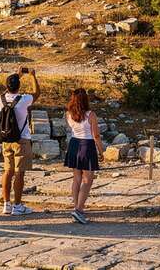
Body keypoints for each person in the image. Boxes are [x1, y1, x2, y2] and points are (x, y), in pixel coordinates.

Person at [0, 68, 40, 216]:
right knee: (19, 173)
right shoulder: (24, 100)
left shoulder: (1, 99)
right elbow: (37, 93)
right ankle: (17, 205)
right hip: (21, 139)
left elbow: (6, 90)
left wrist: (17, 75)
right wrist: (33, 76)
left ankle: (6, 204)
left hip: (6, 139)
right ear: (18, 86)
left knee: (7, 172)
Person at [63, 88, 105, 224]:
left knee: (76, 179)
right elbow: (96, 135)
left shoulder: (68, 114)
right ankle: (79, 210)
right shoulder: (91, 114)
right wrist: (101, 151)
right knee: (87, 180)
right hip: (87, 145)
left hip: (74, 144)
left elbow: (72, 129)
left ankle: (77, 207)